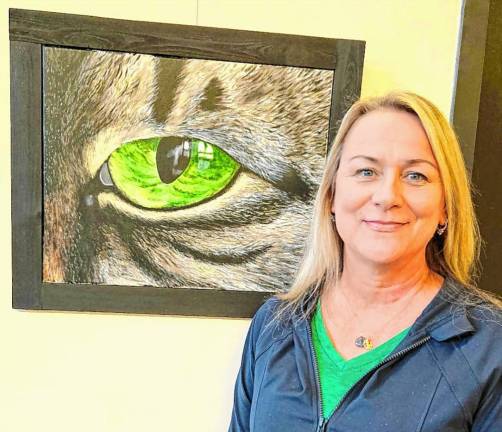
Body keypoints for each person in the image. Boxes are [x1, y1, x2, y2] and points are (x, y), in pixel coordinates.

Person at [228, 91, 502, 432]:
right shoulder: (274, 325)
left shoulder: (489, 345)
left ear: (445, 206)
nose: (387, 196)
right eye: (366, 171)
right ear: (331, 195)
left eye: (416, 176)